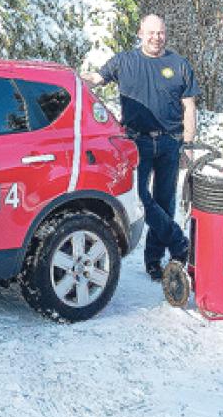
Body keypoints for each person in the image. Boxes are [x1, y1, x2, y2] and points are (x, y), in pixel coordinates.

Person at [82, 14, 200, 281]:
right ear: (140, 33)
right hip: (136, 143)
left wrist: (189, 144)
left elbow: (189, 107)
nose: (156, 37)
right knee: (139, 198)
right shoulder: (125, 61)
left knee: (165, 202)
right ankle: (179, 243)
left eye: (160, 33)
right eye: (151, 32)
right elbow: (96, 79)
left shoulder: (179, 65)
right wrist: (69, 80)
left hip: (170, 142)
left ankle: (154, 262)